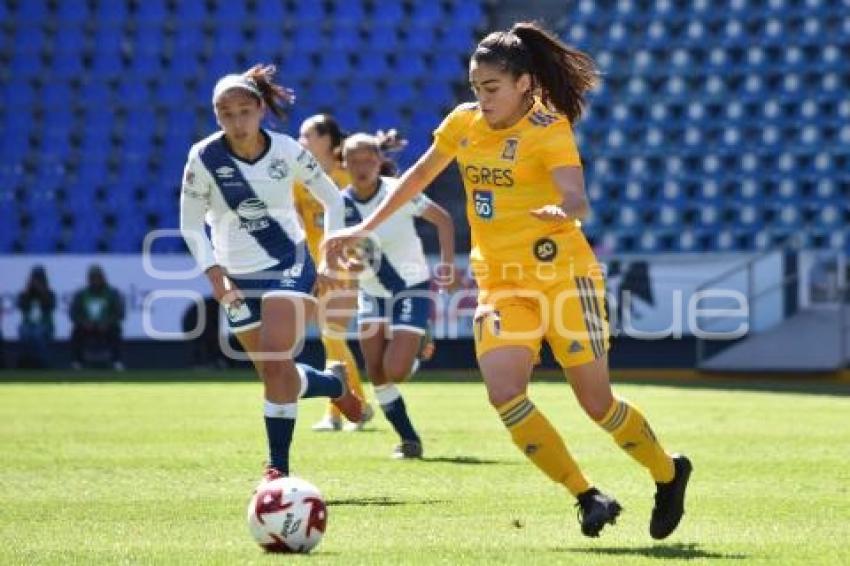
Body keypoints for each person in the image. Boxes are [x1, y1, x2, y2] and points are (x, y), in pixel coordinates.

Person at [326, 23, 691, 538]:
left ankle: (669, 473)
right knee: (504, 394)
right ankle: (587, 496)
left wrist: (561, 209)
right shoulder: (463, 124)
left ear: (523, 83)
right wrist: (363, 226)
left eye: (491, 88)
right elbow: (417, 178)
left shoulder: (549, 125)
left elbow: (578, 198)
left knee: (597, 404)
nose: (482, 98)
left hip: (565, 279)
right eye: (475, 88)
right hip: (501, 284)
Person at [178, 64, 364, 482]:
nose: (236, 122)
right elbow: (190, 225)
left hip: (289, 266)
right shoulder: (203, 158)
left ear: (260, 109)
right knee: (275, 374)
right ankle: (334, 386)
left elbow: (334, 202)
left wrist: (330, 258)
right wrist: (215, 277)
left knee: (277, 363)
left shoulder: (287, 151)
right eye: (226, 114)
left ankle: (277, 466)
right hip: (234, 276)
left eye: (244, 111)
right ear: (216, 116)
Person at [333, 133, 455, 458]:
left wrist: (447, 267)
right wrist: (345, 263)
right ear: (342, 164)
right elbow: (333, 250)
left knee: (396, 370)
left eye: (368, 160)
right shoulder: (338, 205)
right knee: (375, 371)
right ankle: (409, 439)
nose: (361, 167)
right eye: (353, 161)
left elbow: (443, 220)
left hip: (410, 288)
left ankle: (417, 341)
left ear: (379, 161)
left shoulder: (398, 192)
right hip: (371, 295)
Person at [294, 113, 373, 432]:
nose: (301, 142)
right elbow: (296, 220)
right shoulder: (300, 180)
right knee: (331, 341)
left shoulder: (346, 177)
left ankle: (358, 406)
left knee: (332, 336)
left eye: (307, 135)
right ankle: (338, 412)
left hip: (343, 264)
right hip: (315, 267)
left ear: (327, 140)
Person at [70, 264, 125, 370]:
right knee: (76, 332)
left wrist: (108, 322)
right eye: (92, 278)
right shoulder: (81, 294)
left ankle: (117, 361)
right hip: (87, 326)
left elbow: (119, 313)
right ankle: (77, 362)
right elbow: (74, 313)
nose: (95, 280)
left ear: (103, 278)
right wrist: (83, 322)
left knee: (115, 331)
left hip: (106, 326)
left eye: (97, 277)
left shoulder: (112, 293)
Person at [16, 265, 56, 368]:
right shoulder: (24, 294)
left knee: (38, 333)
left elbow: (50, 306)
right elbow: (21, 306)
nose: (37, 281)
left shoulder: (50, 294)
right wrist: (29, 292)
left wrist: (42, 291)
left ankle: (43, 363)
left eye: (39, 278)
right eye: (35, 278)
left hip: (45, 324)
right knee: (25, 332)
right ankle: (24, 363)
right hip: (28, 324)